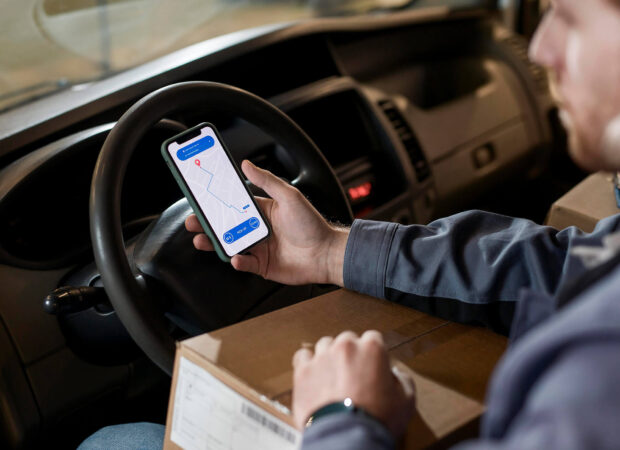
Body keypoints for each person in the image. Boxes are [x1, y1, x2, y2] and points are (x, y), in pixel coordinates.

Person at [79, 0, 620, 448]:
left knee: (113, 441)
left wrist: (343, 417)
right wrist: (331, 251)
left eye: (571, 16)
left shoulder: (597, 374)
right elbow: (558, 269)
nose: (540, 47)